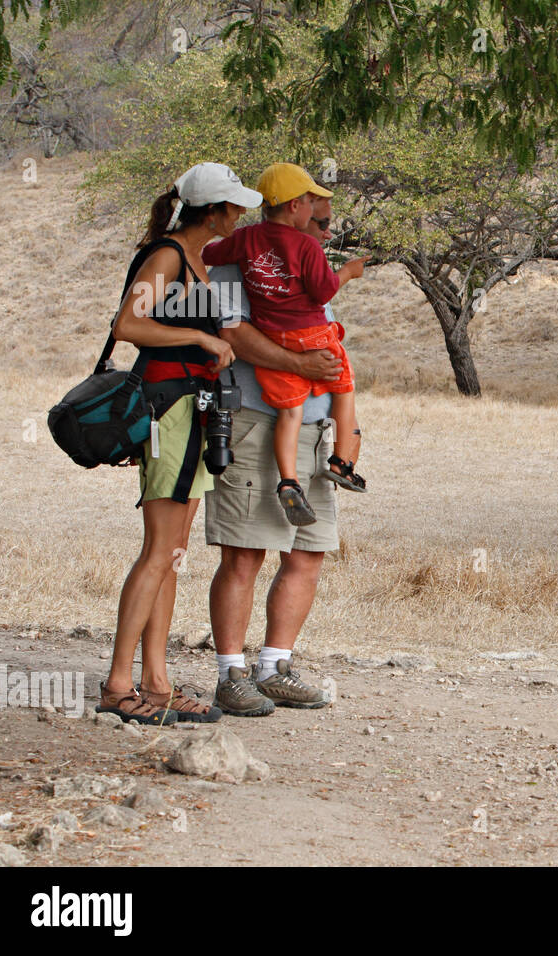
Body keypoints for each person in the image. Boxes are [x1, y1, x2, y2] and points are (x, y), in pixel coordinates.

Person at [98, 162, 263, 725]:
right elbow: (128, 325)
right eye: (234, 205)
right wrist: (197, 335)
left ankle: (157, 683)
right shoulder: (168, 255)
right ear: (213, 211)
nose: (240, 214)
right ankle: (120, 685)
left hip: (192, 412)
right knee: (157, 551)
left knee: (171, 552)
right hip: (167, 411)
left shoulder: (198, 259)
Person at [203, 189, 350, 716]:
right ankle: (230, 674)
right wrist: (303, 366)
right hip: (255, 422)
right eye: (319, 214)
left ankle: (274, 668)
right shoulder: (239, 261)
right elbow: (231, 332)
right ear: (295, 208)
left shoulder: (306, 264)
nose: (325, 227)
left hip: (310, 432)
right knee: (245, 553)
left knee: (308, 552)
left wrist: (343, 427)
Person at [202, 162, 368, 527]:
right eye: (311, 204)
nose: (323, 228)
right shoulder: (306, 247)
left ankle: (288, 479)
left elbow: (207, 255)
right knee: (344, 385)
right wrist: (348, 272)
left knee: (290, 413)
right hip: (309, 340)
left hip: (275, 335)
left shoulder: (245, 242)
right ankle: (343, 461)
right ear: (295, 206)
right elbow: (323, 290)